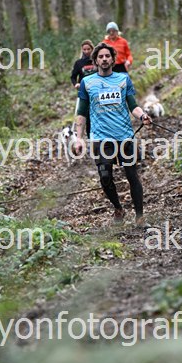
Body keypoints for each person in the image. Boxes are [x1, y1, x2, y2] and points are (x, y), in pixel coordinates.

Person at [74, 42, 151, 226]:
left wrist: (142, 116)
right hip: (100, 137)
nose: (104, 59)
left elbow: (133, 106)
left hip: (124, 135)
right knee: (105, 176)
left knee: (132, 176)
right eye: (100, 56)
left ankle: (140, 217)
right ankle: (118, 208)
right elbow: (81, 113)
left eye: (107, 56)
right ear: (95, 60)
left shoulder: (123, 79)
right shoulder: (87, 82)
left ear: (113, 59)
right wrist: (78, 138)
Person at [71, 40, 95, 137]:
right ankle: (89, 137)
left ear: (92, 49)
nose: (86, 51)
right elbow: (73, 77)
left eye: (88, 49)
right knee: (86, 115)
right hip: (84, 92)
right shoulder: (78, 63)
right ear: (82, 50)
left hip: (96, 92)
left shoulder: (97, 61)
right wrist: (76, 84)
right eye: (84, 49)